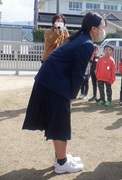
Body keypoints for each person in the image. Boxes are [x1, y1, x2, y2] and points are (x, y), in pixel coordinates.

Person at [22, 12, 106, 174]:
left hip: (50, 81)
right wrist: (70, 97)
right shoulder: (86, 43)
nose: (104, 30)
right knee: (61, 123)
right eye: (102, 27)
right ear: (94, 29)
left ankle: (61, 157)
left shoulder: (80, 38)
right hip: (54, 83)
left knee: (59, 121)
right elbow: (77, 74)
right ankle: (61, 162)